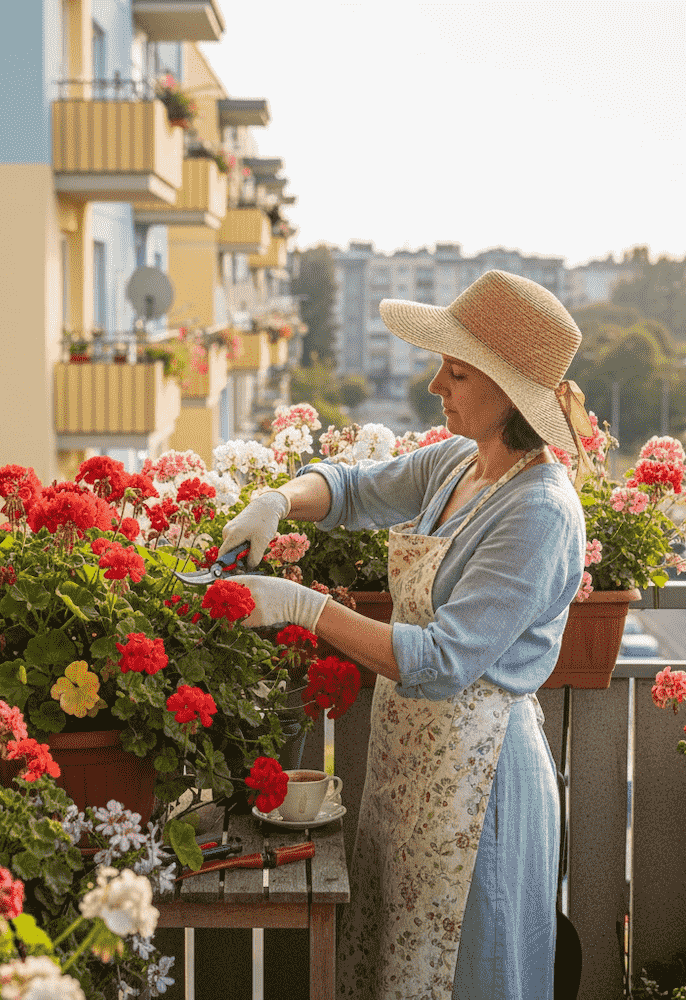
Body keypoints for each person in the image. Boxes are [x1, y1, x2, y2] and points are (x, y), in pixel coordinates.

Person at [221, 270, 592, 999]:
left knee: (466, 973)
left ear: (509, 391)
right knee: (399, 966)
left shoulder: (540, 511)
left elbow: (442, 660)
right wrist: (278, 499)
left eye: (455, 372)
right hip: (413, 770)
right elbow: (355, 488)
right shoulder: (460, 462)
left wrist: (301, 606)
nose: (434, 386)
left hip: (481, 791)